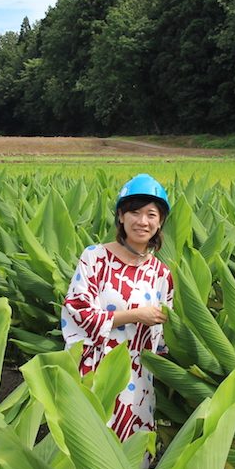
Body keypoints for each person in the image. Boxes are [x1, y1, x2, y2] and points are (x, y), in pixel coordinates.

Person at [61, 173, 174, 441]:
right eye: (134, 212)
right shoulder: (95, 258)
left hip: (139, 383)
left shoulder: (161, 274)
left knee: (132, 456)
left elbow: (164, 339)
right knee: (91, 448)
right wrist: (134, 316)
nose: (142, 221)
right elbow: (77, 309)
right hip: (96, 370)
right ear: (121, 217)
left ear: (160, 223)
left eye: (151, 215)